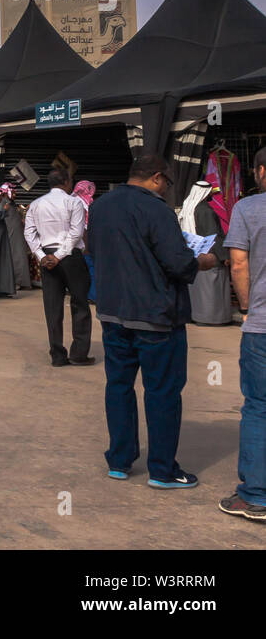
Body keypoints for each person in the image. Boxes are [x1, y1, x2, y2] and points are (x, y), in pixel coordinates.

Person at [89, 152, 218, 489]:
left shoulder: (101, 207)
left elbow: (95, 250)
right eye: (167, 183)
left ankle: (119, 461)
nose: (166, 190)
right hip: (156, 317)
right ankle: (162, 470)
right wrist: (202, 260)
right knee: (162, 392)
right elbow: (180, 264)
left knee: (118, 387)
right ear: (158, 178)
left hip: (112, 312)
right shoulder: (156, 209)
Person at [222, 147, 266, 520]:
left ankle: (255, 496)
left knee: (259, 407)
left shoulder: (247, 210)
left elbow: (238, 264)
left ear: (261, 170)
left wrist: (247, 308)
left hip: (263, 327)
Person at [25, 169, 92, 365]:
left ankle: (57, 355)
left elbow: (29, 234)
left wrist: (42, 256)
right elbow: (76, 232)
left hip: (47, 258)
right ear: (65, 182)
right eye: (71, 180)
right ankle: (79, 354)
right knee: (79, 303)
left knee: (52, 306)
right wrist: (59, 255)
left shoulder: (36, 205)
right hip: (70, 257)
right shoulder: (74, 202)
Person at [181, 180, 234, 326]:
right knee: (212, 290)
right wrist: (224, 256)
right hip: (211, 256)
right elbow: (214, 235)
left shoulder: (188, 208)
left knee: (197, 289)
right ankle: (213, 319)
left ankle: (197, 316)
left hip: (194, 255)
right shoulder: (206, 211)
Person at [2, 185, 33, 290]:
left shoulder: (12, 204)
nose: (15, 195)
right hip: (10, 237)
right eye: (13, 193)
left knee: (19, 258)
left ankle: (19, 281)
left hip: (17, 236)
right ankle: (13, 282)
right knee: (14, 259)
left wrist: (24, 211)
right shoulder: (3, 204)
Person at [73, 179, 98, 301]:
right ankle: (92, 296)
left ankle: (82, 295)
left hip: (74, 241)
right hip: (85, 239)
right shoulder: (86, 203)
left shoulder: (70, 201)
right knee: (91, 268)